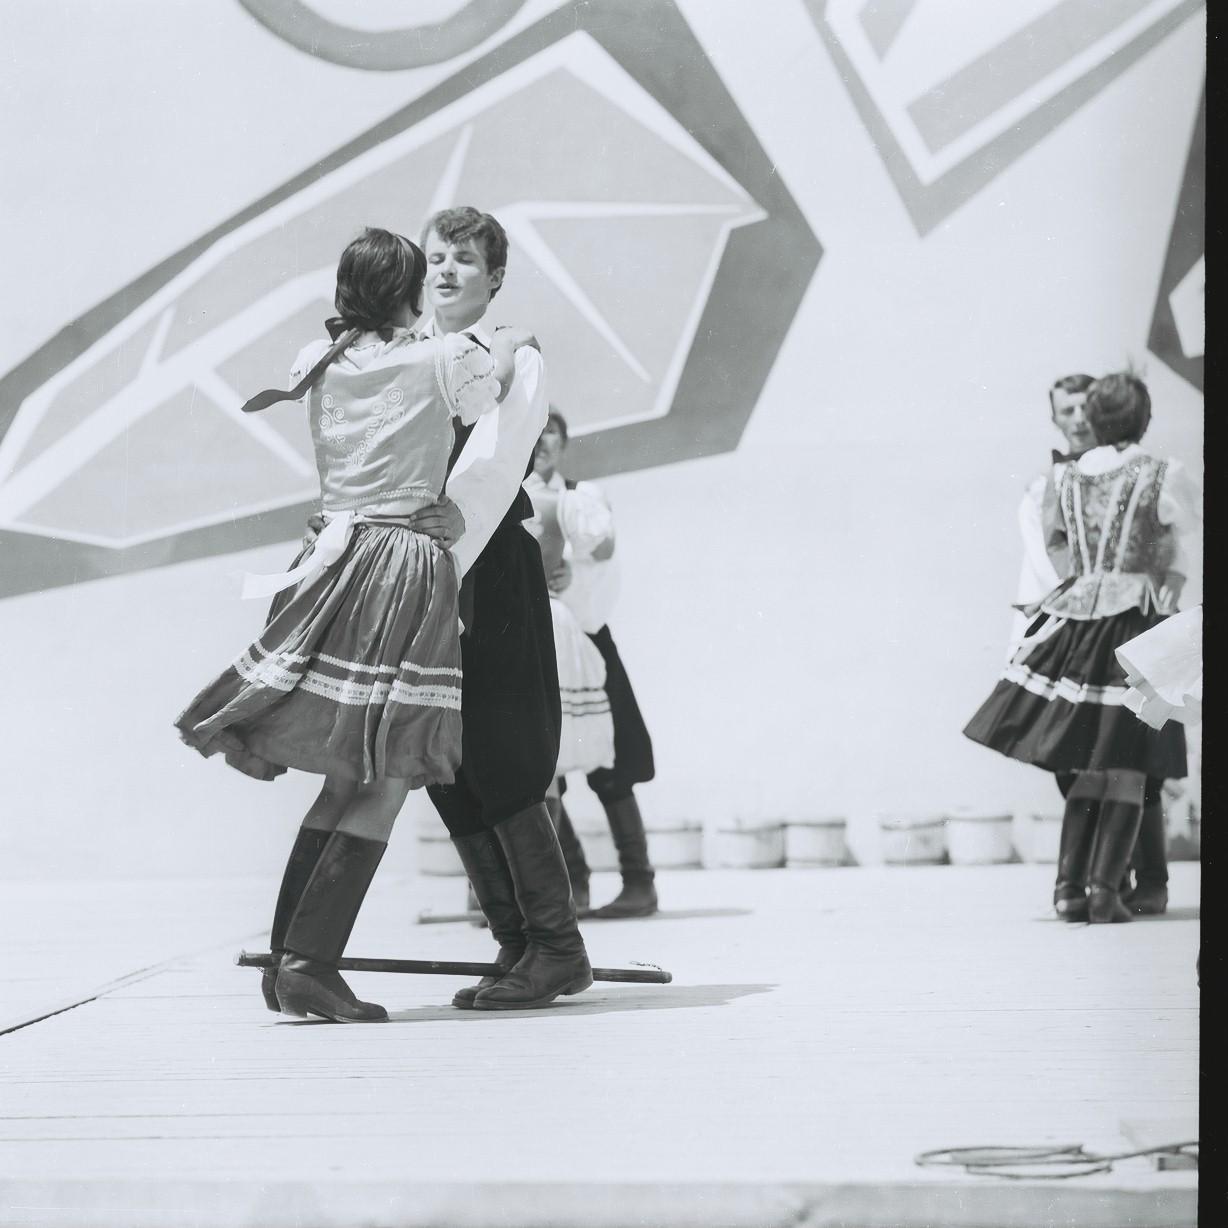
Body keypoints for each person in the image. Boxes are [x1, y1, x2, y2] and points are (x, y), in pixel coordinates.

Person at [175, 227, 535, 1022]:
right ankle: (309, 964)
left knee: (344, 776)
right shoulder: (446, 357)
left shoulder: (319, 358)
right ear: (409, 293)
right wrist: (511, 344)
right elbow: (493, 393)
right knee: (387, 775)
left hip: (330, 560)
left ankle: (287, 964)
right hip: (401, 564)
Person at [403, 206, 593, 1011]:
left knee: (505, 751)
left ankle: (559, 947)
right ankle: (516, 945)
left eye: (465, 260)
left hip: (487, 562)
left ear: (496, 277)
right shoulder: (406, 350)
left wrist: (456, 520)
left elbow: (501, 450)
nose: (446, 271)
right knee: (447, 763)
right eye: (436, 257)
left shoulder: (516, 351)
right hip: (419, 570)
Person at [963, 371, 1199, 923]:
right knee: (1130, 762)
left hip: (1078, 627)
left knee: (1087, 760)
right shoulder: (1159, 473)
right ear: (1144, 419)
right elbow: (1184, 526)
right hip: (1133, 625)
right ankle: (1104, 892)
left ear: (1093, 418)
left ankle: (1069, 890)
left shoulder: (1063, 477)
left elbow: (1060, 546)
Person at [525, 411, 660, 919]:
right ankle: (573, 881)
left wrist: (568, 570)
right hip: (534, 645)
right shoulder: (504, 497)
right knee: (542, 769)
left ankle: (639, 882)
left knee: (612, 760)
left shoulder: (582, 496)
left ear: (563, 442)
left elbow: (603, 552)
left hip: (584, 636)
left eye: (551, 431)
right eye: (534, 430)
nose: (542, 440)